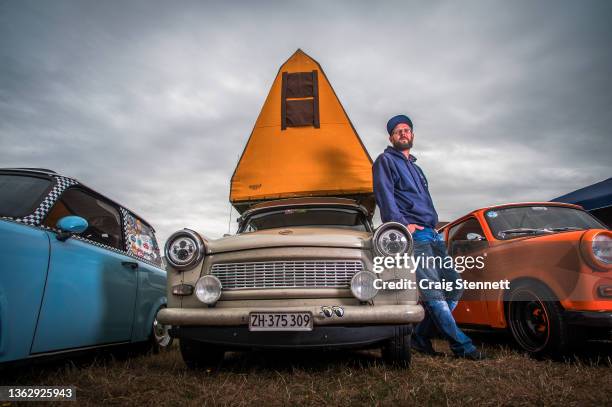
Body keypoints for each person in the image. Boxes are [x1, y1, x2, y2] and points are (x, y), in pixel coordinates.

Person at [372, 114, 486, 360]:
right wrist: (403, 225)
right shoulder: (384, 161)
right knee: (434, 293)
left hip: (432, 234)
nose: (403, 133)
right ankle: (463, 347)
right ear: (391, 137)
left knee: (454, 287)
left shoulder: (417, 167)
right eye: (398, 131)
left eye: (407, 130)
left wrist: (434, 227)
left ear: (412, 135)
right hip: (416, 235)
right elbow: (385, 196)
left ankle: (419, 337)